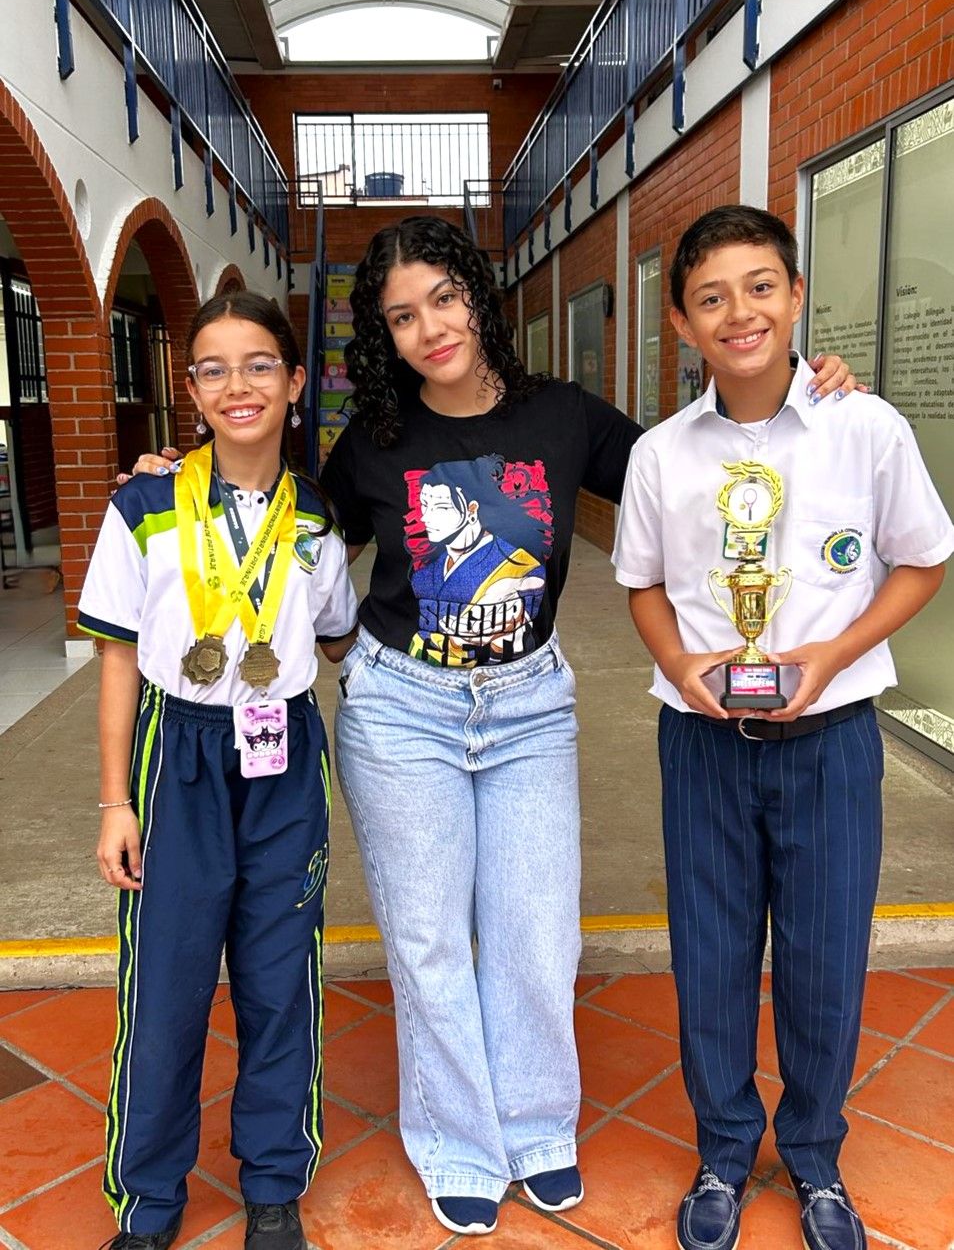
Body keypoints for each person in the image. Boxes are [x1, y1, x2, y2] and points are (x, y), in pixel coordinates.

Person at [128, 216, 856, 1238]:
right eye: (403, 316)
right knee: (429, 941)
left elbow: (698, 473)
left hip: (527, 708)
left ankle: (538, 1128)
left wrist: (802, 398)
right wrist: (184, 476)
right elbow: (287, 526)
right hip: (402, 710)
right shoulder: (374, 440)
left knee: (535, 930)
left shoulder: (563, 415)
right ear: (385, 336)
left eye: (445, 298)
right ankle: (460, 1141)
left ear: (477, 295)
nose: (431, 327)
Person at [612, 205, 953, 1250]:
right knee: (710, 958)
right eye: (711, 297)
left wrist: (833, 654)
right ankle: (723, 1152)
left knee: (825, 961)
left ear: (797, 295)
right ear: (681, 322)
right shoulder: (661, 453)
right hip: (704, 745)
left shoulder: (867, 428)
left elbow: (923, 560)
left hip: (832, 743)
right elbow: (643, 584)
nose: (740, 313)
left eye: (761, 287)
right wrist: (681, 665)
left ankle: (814, 1155)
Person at [81, 293, 358, 1250]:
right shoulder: (144, 504)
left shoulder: (316, 516)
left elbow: (338, 635)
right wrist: (115, 800)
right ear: (192, 390)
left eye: (258, 364)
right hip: (179, 754)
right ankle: (148, 1199)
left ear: (294, 381)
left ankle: (273, 1183)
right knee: (166, 982)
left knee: (281, 979)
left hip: (283, 752)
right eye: (214, 368)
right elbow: (118, 659)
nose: (238, 384)